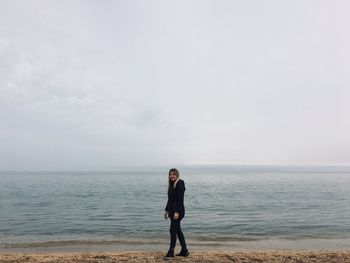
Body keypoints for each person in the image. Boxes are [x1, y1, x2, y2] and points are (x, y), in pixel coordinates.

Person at [164, 168, 189, 257]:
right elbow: (170, 200)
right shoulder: (171, 185)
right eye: (170, 174)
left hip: (178, 212)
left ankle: (171, 251)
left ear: (177, 175)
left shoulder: (180, 184)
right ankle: (184, 250)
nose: (172, 176)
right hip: (171, 211)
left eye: (174, 174)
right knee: (177, 230)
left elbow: (180, 199)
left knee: (172, 230)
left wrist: (177, 212)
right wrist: (166, 210)